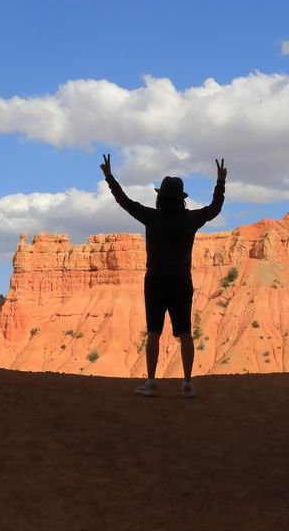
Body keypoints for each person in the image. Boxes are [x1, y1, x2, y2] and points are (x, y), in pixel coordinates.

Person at [100, 154, 226, 398]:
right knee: (186, 332)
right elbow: (214, 209)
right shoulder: (191, 219)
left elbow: (124, 202)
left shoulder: (152, 217)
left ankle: (151, 382)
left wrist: (109, 177)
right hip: (181, 281)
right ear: (181, 199)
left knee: (154, 332)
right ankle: (187, 383)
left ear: (160, 197)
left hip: (156, 281)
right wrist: (220, 183)